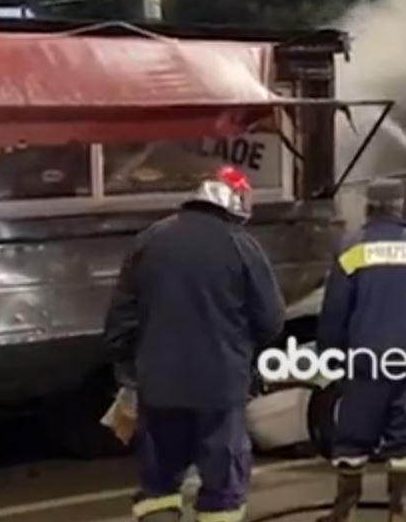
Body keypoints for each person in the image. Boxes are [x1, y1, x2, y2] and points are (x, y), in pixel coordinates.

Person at [104, 165, 285, 522]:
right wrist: (241, 353)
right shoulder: (242, 246)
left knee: (158, 487)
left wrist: (131, 374)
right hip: (220, 391)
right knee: (222, 489)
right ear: (234, 201)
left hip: (158, 389)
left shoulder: (149, 240)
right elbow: (271, 320)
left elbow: (118, 325)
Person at [316, 178, 406, 522]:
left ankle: (344, 513)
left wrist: (329, 354)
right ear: (400, 206)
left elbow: (334, 311)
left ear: (369, 207)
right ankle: (398, 513)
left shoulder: (351, 249)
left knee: (352, 438)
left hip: (365, 363)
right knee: (404, 439)